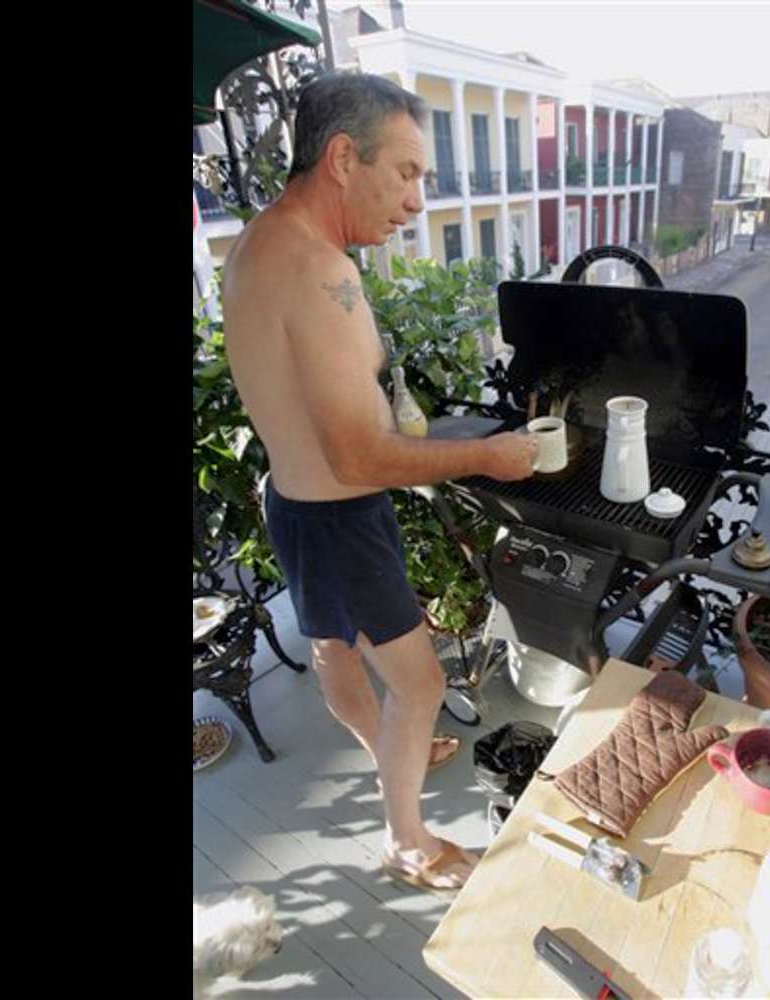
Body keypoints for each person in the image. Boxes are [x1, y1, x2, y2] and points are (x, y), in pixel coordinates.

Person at [221, 73, 538, 894]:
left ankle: (389, 745)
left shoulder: (258, 242)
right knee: (423, 681)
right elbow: (362, 457)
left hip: (289, 502)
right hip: (338, 516)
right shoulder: (320, 274)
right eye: (405, 172)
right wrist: (489, 454)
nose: (415, 200)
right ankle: (407, 842)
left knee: (330, 645)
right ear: (341, 157)